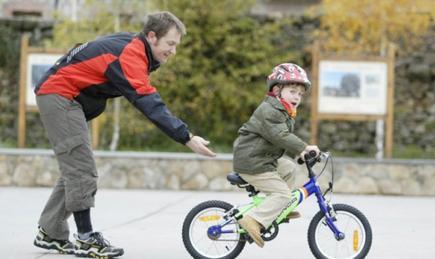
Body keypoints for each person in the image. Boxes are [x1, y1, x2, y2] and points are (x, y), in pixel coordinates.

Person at [33, 11, 216, 258]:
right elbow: (149, 102)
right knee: (82, 170)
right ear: (152, 36)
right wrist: (186, 137)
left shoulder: (132, 46)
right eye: (170, 44)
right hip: (60, 95)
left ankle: (50, 231)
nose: (173, 51)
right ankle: (86, 238)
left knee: (75, 169)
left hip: (63, 95)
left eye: (176, 45)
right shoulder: (131, 53)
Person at [232, 63, 320, 248]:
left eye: (300, 94)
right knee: (283, 194)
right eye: (293, 91)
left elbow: (279, 140)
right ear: (277, 89)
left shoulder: (283, 112)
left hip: (261, 157)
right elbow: (280, 136)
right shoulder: (270, 110)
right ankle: (253, 220)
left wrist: (300, 154)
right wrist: (304, 147)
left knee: (289, 168)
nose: (297, 96)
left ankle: (278, 209)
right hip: (253, 162)